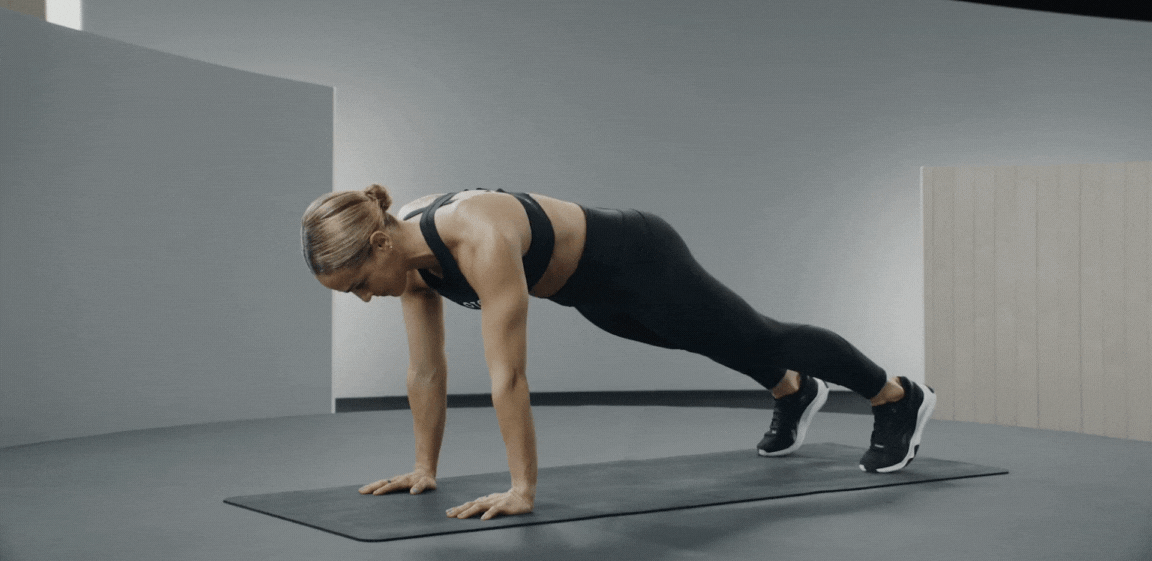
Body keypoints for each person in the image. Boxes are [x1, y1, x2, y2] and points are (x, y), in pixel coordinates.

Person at [301, 185, 936, 521]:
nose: (362, 299)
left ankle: (895, 396)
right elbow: (426, 370)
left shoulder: (475, 237)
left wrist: (523, 488)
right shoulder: (411, 265)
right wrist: (423, 468)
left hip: (638, 258)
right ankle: (792, 390)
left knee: (756, 334)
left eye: (356, 284)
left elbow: (510, 374)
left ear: (380, 244)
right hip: (587, 291)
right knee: (697, 336)